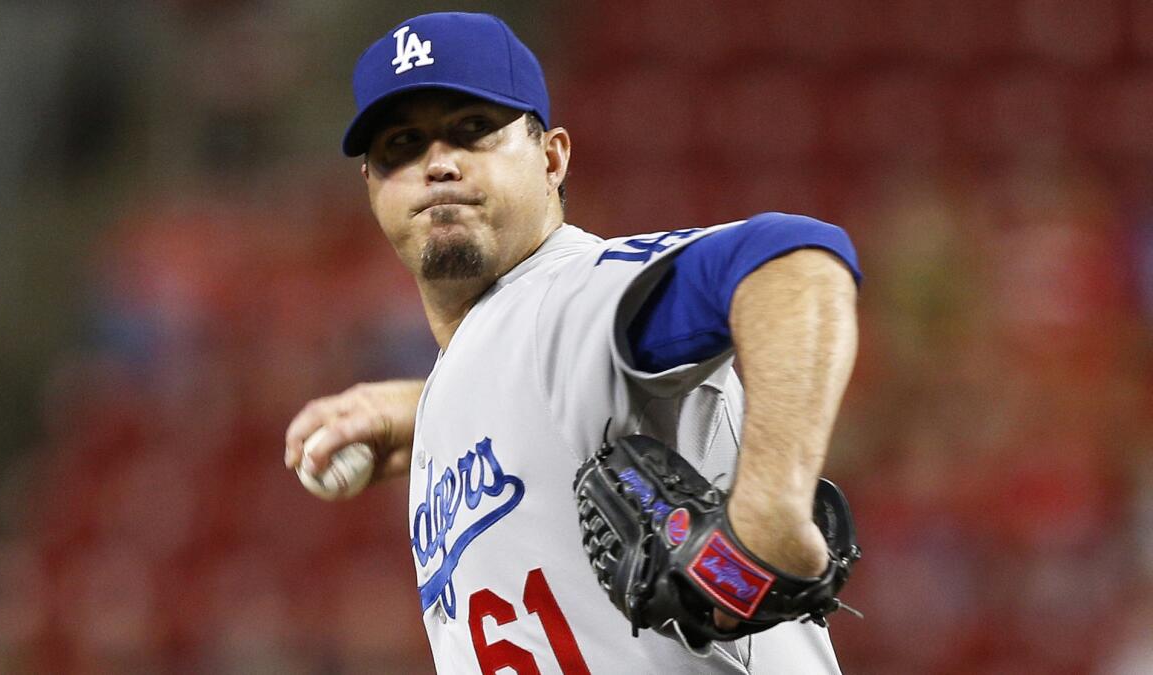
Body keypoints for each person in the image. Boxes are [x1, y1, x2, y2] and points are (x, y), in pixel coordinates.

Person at [284, 11, 861, 674]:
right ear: (372, 187)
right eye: (402, 145)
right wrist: (423, 409)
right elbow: (537, 396)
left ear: (553, 156)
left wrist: (772, 508)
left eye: (472, 130)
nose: (437, 163)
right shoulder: (490, 351)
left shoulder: (569, 292)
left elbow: (793, 263)